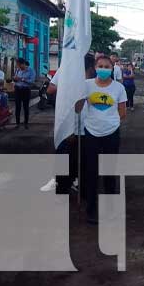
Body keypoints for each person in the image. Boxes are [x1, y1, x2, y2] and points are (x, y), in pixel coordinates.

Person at [76, 55, 127, 224]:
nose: (104, 69)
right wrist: (77, 96)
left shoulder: (119, 88)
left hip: (111, 133)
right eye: (100, 66)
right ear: (95, 68)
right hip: (91, 132)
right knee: (91, 172)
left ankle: (110, 209)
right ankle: (91, 209)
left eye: (107, 66)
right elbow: (77, 108)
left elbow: (123, 113)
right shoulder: (86, 85)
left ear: (112, 69)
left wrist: (109, 122)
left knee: (109, 172)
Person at [41, 54, 95, 194]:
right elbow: (51, 88)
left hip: (87, 125)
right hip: (68, 123)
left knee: (81, 158)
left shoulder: (92, 77)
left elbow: (51, 89)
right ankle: (63, 185)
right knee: (67, 157)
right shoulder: (65, 70)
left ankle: (78, 186)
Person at [13, 58, 35, 129]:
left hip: (26, 90)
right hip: (18, 90)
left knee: (26, 107)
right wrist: (15, 79)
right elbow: (16, 79)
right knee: (17, 107)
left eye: (19, 65)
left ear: (23, 64)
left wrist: (21, 79)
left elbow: (31, 81)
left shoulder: (31, 71)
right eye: (17, 65)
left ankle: (26, 123)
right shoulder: (17, 70)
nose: (18, 66)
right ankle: (17, 123)